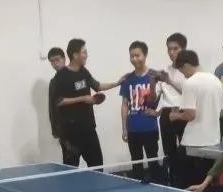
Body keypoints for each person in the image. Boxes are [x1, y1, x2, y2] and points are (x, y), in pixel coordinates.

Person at [53, 38, 123, 168]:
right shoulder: (62, 75)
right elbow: (58, 101)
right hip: (70, 133)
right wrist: (82, 98)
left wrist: (117, 83)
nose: (87, 55)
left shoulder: (83, 71)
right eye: (84, 52)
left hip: (88, 128)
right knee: (71, 169)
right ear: (75, 55)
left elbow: (97, 86)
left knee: (97, 165)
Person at [169, 49, 223, 188]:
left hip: (193, 143)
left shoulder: (190, 83)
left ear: (186, 65)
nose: (183, 75)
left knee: (185, 184)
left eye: (182, 71)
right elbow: (222, 112)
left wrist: (175, 115)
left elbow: (190, 114)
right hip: (213, 141)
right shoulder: (216, 81)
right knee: (206, 185)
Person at [120, 41, 161, 181]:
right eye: (131, 56)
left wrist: (158, 112)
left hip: (150, 128)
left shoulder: (155, 76)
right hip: (133, 129)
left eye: (137, 55)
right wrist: (124, 128)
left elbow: (166, 99)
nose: (134, 59)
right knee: (136, 163)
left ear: (145, 55)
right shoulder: (127, 79)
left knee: (153, 162)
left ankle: (157, 187)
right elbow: (124, 105)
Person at [157, 33, 188, 186]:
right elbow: (156, 95)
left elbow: (189, 93)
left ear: (184, 49)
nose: (172, 52)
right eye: (169, 49)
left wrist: (169, 81)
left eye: (175, 49)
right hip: (167, 113)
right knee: (169, 152)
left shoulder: (189, 71)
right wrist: (152, 83)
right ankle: (173, 182)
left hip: (184, 113)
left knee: (185, 151)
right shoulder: (164, 70)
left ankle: (185, 182)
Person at [47, 47, 79, 167]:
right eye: (52, 61)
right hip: (66, 131)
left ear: (64, 59)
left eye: (57, 60)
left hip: (83, 127)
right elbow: (52, 108)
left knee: (95, 163)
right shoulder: (53, 82)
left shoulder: (77, 76)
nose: (55, 64)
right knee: (70, 164)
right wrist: (55, 130)